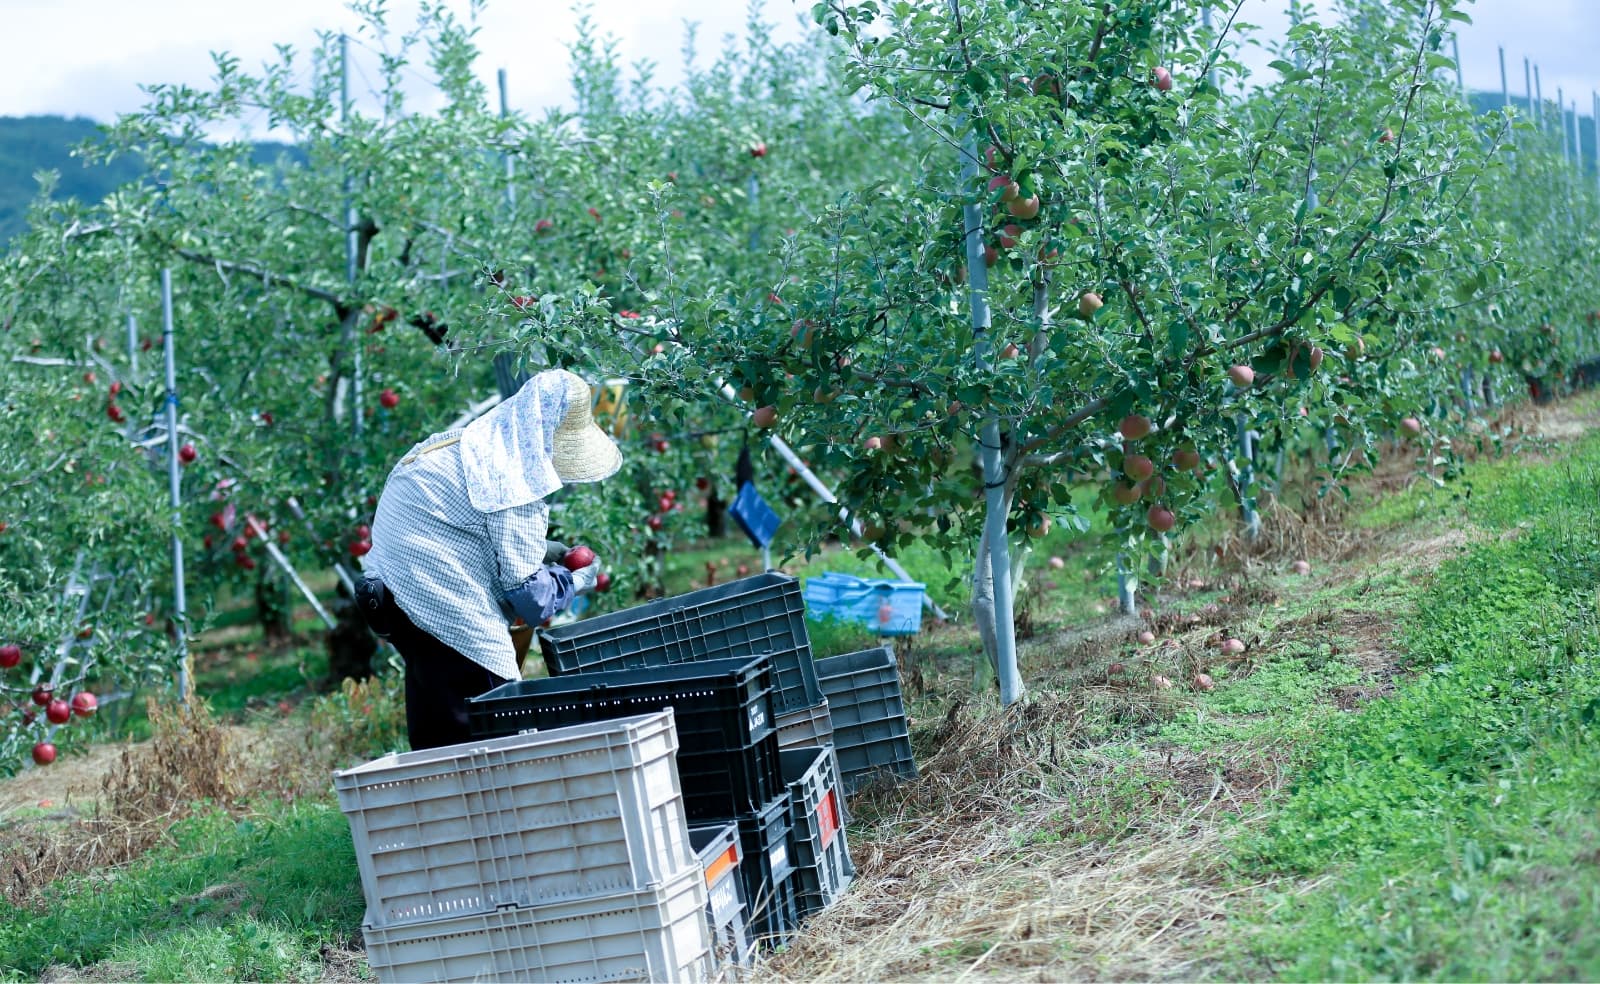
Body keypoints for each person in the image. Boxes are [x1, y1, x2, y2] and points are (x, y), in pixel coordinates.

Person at [355, 368, 621, 750]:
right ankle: (493, 804)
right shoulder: (515, 479)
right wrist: (575, 581)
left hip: (390, 590)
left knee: (439, 730)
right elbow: (530, 599)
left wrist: (542, 548)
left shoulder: (479, 444)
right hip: (440, 598)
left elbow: (463, 523)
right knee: (492, 726)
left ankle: (437, 804)